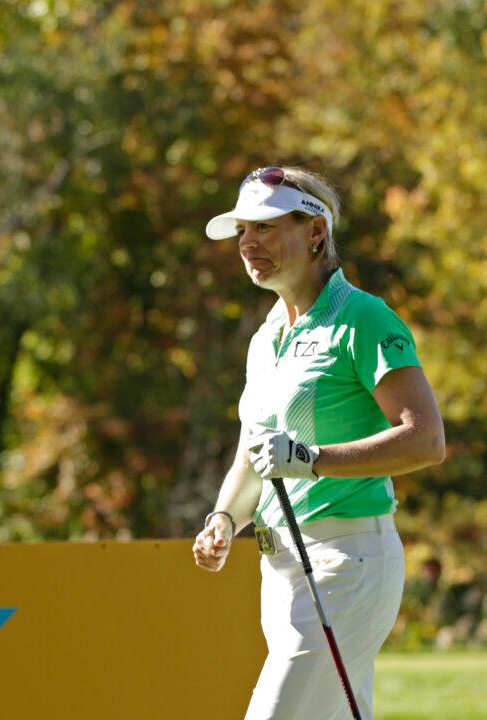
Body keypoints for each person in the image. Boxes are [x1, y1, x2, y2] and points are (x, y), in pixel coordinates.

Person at [191, 166, 445, 719]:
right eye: (241, 231)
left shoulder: (363, 317)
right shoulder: (266, 337)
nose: (248, 243)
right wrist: (223, 519)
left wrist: (312, 460)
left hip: (346, 563)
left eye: (264, 226)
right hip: (282, 569)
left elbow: (425, 439)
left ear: (315, 232)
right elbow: (254, 455)